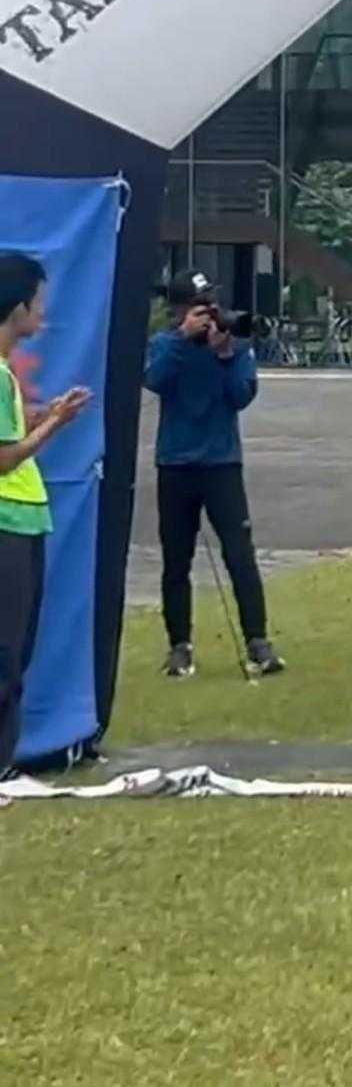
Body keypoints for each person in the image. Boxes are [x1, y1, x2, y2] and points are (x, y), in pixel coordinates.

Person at [145, 270, 284, 679]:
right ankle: (179, 645)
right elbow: (154, 380)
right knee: (176, 560)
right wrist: (183, 340)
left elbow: (241, 395)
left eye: (211, 303)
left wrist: (224, 357)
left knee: (239, 554)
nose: (210, 312)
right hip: (175, 463)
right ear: (180, 311)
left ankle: (258, 640)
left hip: (222, 463)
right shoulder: (165, 344)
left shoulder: (234, 344)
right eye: (200, 306)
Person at [0, 254, 90, 778]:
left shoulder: (7, 374)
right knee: (6, 651)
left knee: (16, 652)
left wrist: (47, 414)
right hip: (7, 525)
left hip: (24, 522)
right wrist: (55, 426)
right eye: (37, 302)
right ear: (17, 308)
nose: (43, 313)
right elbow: (4, 457)